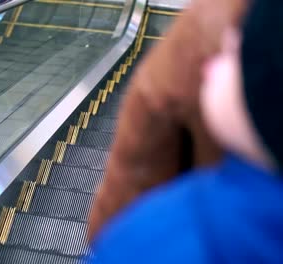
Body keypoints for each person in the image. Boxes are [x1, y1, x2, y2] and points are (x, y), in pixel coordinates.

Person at [90, 0, 283, 262]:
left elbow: (145, 132)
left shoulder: (157, 237)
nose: (230, 41)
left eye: (240, 49)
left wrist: (107, 231)